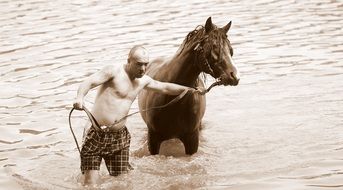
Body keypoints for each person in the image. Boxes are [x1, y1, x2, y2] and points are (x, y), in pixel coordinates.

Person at [73, 45, 206, 185]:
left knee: (121, 182)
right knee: (91, 184)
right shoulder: (113, 71)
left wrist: (191, 90)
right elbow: (89, 82)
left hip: (120, 137)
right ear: (129, 61)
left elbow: (166, 87)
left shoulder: (143, 81)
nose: (143, 69)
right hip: (97, 134)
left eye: (145, 64)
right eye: (139, 64)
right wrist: (79, 97)